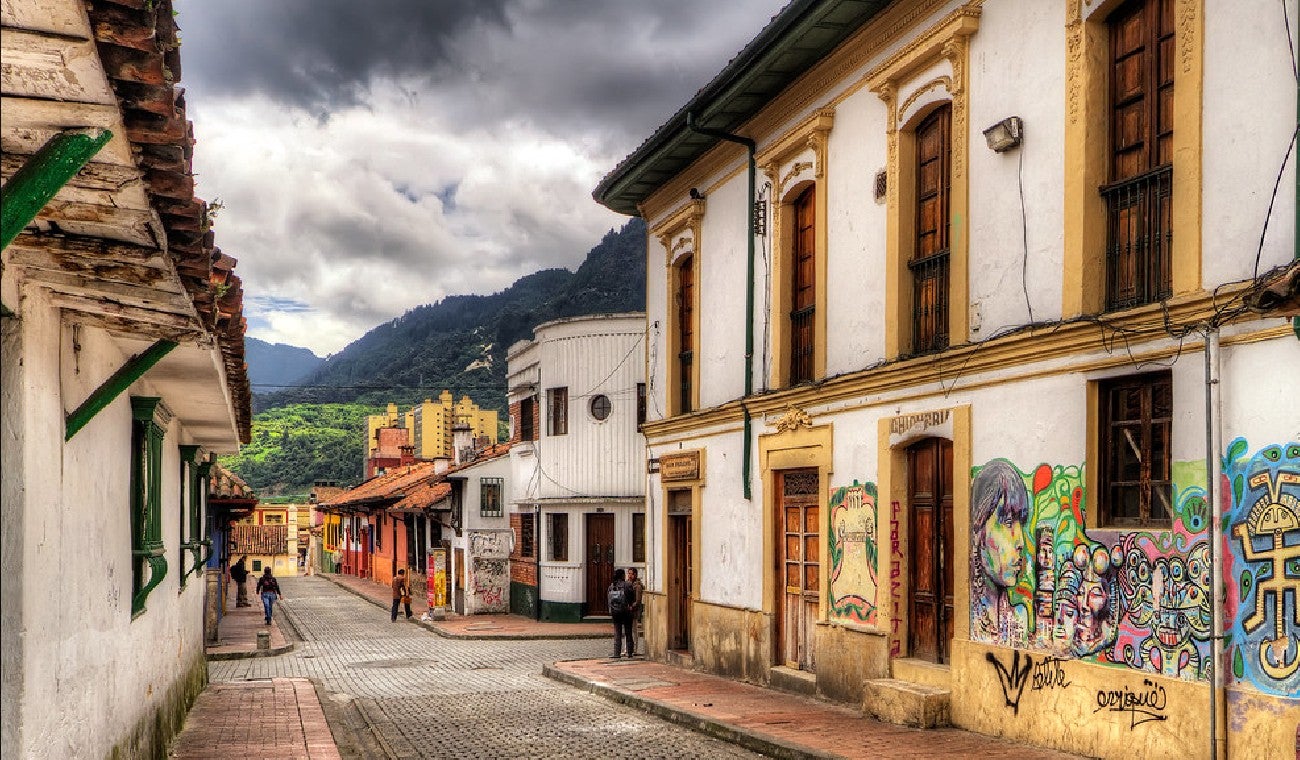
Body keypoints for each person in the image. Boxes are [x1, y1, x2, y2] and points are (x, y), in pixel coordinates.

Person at [608, 568, 635, 659]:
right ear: (622, 576)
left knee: (617, 632)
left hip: (615, 612)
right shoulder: (628, 585)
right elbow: (632, 597)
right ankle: (630, 653)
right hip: (626, 611)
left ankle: (616, 653)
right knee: (628, 632)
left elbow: (609, 600)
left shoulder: (612, 586)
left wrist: (611, 610)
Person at [627, 567, 645, 657]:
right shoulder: (627, 584)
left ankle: (634, 648)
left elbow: (638, 600)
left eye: (631, 574)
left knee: (634, 630)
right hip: (627, 611)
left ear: (635, 574)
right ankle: (627, 648)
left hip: (633, 611)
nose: (629, 575)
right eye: (628, 573)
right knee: (627, 630)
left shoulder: (637, 586)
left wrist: (632, 606)